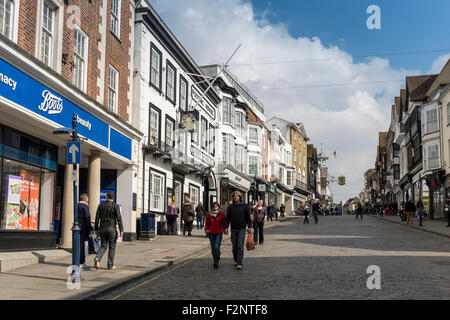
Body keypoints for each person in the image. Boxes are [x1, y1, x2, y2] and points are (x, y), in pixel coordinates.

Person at [94, 192, 123, 270]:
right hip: (112, 229)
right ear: (113, 198)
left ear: (106, 197)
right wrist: (121, 230)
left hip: (102, 229)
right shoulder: (115, 206)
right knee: (112, 247)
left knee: (103, 245)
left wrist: (96, 229)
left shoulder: (101, 205)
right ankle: (110, 265)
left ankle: (97, 258)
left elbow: (97, 219)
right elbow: (119, 219)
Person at [225, 191, 252, 270]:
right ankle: (236, 260)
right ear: (233, 198)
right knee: (234, 246)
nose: (236, 197)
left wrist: (249, 226)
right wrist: (226, 227)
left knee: (240, 245)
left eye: (237, 196)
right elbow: (228, 218)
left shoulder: (245, 206)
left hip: (242, 228)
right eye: (234, 196)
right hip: (233, 228)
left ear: (240, 197)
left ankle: (239, 262)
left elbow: (248, 217)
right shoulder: (230, 207)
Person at [205, 202, 227, 269]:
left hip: (218, 233)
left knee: (216, 247)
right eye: (214, 207)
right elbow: (207, 223)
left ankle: (216, 261)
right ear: (212, 207)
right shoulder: (209, 214)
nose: (215, 208)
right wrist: (206, 230)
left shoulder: (222, 214)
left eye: (216, 207)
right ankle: (215, 259)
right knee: (213, 248)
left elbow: (223, 223)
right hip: (211, 232)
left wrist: (225, 230)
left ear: (218, 207)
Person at [78, 193, 93, 270]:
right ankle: (81, 262)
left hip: (77, 227)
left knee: (78, 245)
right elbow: (87, 218)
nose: (88, 200)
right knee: (82, 246)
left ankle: (78, 261)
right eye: (87, 198)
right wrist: (90, 229)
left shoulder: (76, 205)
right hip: (84, 228)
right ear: (85, 198)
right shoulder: (85, 206)